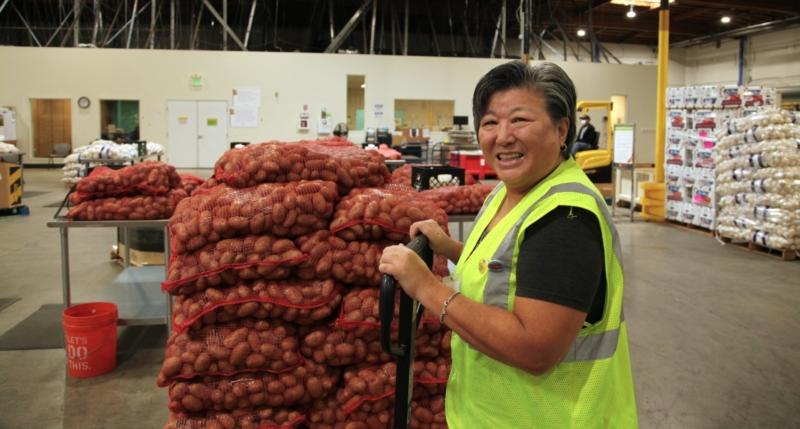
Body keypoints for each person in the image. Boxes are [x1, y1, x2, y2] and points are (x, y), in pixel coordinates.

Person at [379, 61, 638, 428]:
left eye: (519, 120)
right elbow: (507, 267)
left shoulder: (565, 217)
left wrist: (426, 288)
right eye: (489, 123)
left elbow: (535, 348)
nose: (502, 136)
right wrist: (449, 248)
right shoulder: (510, 192)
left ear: (562, 129)